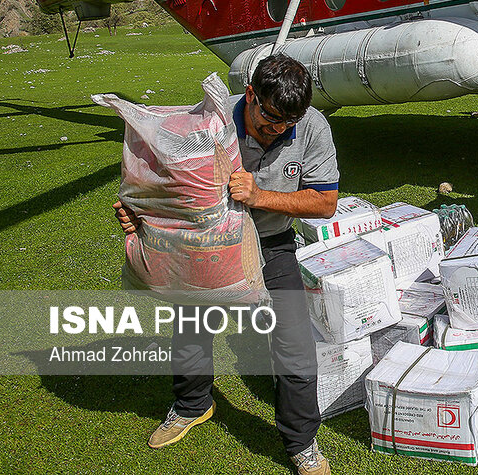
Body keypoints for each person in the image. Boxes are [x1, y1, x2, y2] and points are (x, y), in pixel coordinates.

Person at [114, 54, 338, 475]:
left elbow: (325, 202)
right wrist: (135, 215)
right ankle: (191, 405)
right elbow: (161, 184)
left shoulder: (311, 127)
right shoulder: (208, 122)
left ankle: (302, 443)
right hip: (207, 244)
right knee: (192, 324)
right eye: (270, 119)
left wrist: (260, 197)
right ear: (250, 95)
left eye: (289, 123)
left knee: (293, 343)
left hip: (271, 243)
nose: (279, 131)